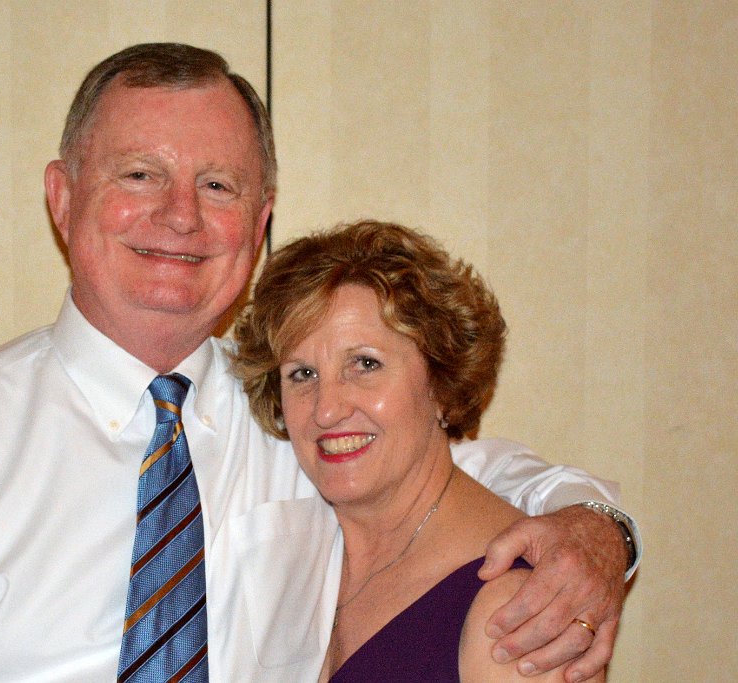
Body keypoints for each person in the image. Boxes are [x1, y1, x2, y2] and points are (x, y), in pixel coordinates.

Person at [0, 43, 636, 682]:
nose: (179, 216)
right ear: (62, 198)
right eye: (139, 174)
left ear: (259, 221)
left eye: (218, 184)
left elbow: (462, 479)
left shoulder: (298, 419)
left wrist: (598, 531)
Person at [231, 220, 618, 681]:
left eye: (365, 364)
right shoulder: (300, 558)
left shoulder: (523, 611)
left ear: (441, 384)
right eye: (303, 374)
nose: (327, 409)